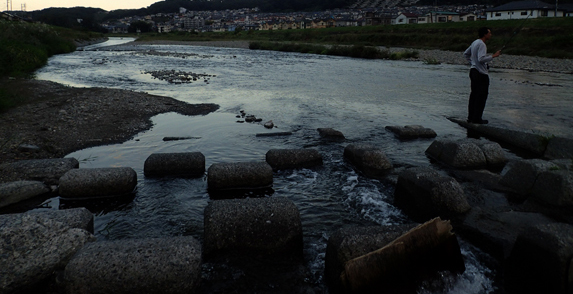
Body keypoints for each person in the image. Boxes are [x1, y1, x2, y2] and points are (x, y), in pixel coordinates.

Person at [463, 27, 501, 124]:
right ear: (485, 34)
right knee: (481, 96)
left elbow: (466, 54)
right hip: (481, 74)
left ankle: (470, 117)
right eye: (489, 33)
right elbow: (481, 59)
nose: (490, 35)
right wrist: (493, 56)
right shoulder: (482, 44)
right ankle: (477, 119)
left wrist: (472, 63)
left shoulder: (475, 42)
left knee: (473, 95)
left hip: (473, 71)